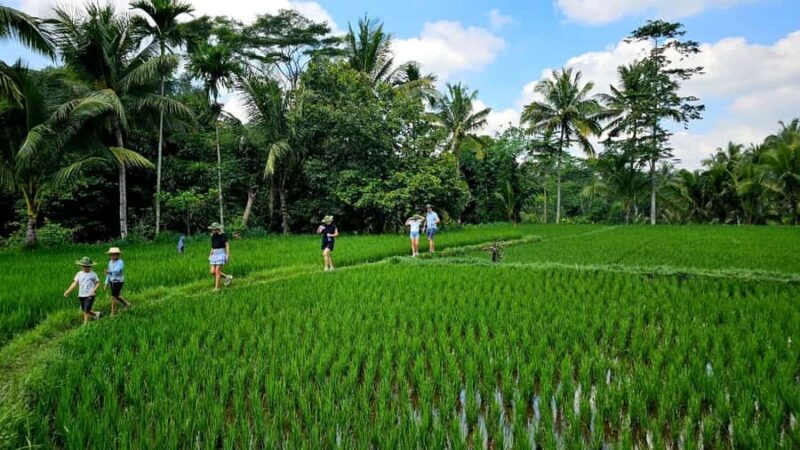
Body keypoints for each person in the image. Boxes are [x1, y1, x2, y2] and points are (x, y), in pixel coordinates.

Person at [63, 256, 101, 324]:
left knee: (86, 311)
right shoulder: (79, 274)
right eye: (83, 266)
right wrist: (68, 291)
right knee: (84, 309)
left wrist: (94, 291)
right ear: (81, 266)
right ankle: (96, 314)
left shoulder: (93, 274)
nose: (85, 268)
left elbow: (98, 283)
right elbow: (75, 283)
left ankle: (85, 324)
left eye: (87, 266)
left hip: (90, 295)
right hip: (81, 295)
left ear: (90, 266)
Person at [104, 247, 131, 316]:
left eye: (115, 255)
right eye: (111, 255)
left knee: (113, 297)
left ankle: (112, 313)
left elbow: (116, 271)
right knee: (117, 295)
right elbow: (109, 274)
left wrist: (108, 272)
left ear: (118, 255)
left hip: (118, 281)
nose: (112, 256)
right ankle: (127, 304)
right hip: (112, 281)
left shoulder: (120, 262)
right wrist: (106, 282)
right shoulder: (110, 262)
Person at [208, 222, 233, 291]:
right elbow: (212, 247)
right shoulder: (212, 236)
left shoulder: (223, 235)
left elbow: (227, 245)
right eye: (212, 229)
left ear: (217, 229)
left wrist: (227, 255)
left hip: (221, 254)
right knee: (212, 272)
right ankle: (227, 277)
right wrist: (210, 255)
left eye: (214, 229)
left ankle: (217, 288)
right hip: (214, 254)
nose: (212, 231)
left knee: (217, 270)